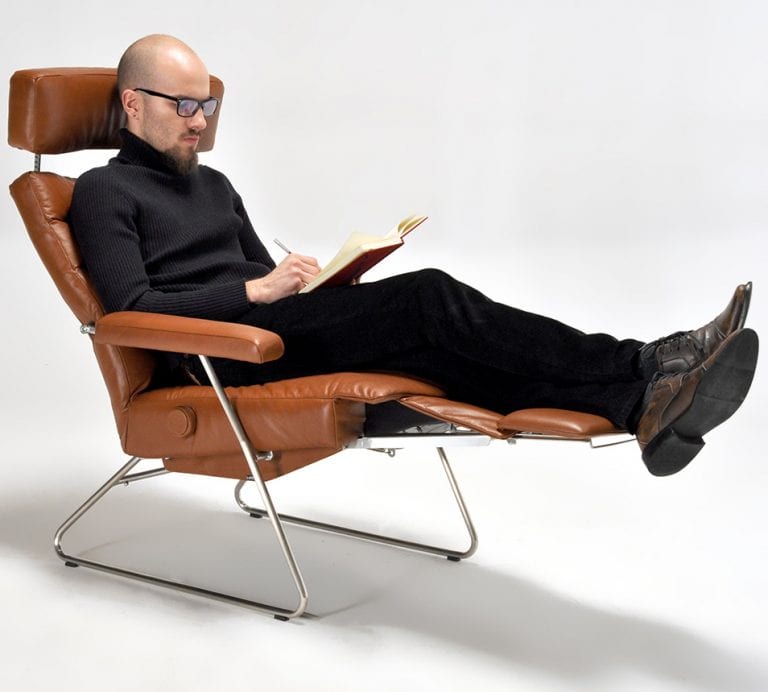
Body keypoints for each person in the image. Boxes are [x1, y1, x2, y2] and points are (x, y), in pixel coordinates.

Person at [69, 34, 759, 478]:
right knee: (426, 295)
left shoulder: (212, 184)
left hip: (276, 331)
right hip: (220, 358)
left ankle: (643, 404)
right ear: (132, 103)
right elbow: (132, 310)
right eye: (185, 103)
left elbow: (259, 274)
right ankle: (648, 360)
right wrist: (255, 294)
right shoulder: (103, 191)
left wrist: (321, 281)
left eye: (209, 104)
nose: (200, 119)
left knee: (442, 355)